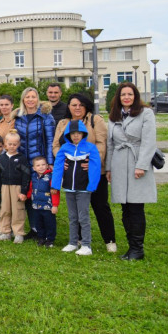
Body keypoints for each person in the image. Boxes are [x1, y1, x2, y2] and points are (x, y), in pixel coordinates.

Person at [52, 93, 116, 253]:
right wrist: (64, 159)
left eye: (80, 104)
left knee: (100, 206)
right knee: (75, 209)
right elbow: (55, 146)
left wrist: (93, 162)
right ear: (69, 107)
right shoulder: (63, 123)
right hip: (72, 172)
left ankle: (109, 240)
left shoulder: (95, 120)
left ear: (86, 106)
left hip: (94, 171)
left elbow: (102, 143)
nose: (77, 107)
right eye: (74, 105)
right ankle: (78, 240)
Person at [106, 82, 156, 261]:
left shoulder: (146, 113)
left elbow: (149, 141)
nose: (126, 97)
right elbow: (110, 144)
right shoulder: (113, 117)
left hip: (136, 162)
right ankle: (130, 247)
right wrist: (109, 168)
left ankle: (137, 248)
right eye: (123, 95)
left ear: (135, 96)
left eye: (130, 94)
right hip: (119, 164)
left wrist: (141, 165)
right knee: (125, 207)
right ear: (118, 98)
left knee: (136, 207)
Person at [53, 119, 101, 255]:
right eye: (73, 133)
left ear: (83, 134)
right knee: (72, 216)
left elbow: (96, 167)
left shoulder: (90, 148)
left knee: (83, 217)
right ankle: (73, 242)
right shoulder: (64, 148)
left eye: (78, 133)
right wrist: (55, 185)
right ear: (68, 134)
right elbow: (58, 166)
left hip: (84, 188)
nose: (75, 136)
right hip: (69, 188)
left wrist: (92, 185)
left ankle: (86, 245)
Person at [13, 87, 56, 239]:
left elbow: (51, 140)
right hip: (23, 162)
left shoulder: (45, 117)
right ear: (23, 100)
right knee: (28, 194)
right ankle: (34, 227)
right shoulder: (18, 117)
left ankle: (46, 229)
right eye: (27, 97)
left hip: (40, 162)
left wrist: (50, 162)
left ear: (37, 99)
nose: (30, 100)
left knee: (43, 195)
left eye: (33, 97)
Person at [0, 132, 31, 243]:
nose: (12, 146)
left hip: (17, 187)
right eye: (10, 144)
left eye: (15, 144)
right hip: (4, 187)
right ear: (5, 144)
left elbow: (26, 175)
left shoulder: (22, 158)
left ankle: (18, 233)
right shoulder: (2, 158)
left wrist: (24, 191)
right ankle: (5, 232)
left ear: (18, 144)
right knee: (4, 209)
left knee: (18, 210)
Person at [28, 156, 60, 249]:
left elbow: (55, 193)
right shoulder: (34, 176)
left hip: (48, 206)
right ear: (34, 168)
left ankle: (50, 240)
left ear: (47, 166)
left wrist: (55, 205)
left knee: (49, 223)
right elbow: (31, 188)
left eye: (43, 165)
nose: (41, 167)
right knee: (39, 223)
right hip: (36, 206)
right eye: (38, 165)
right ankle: (41, 238)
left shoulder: (51, 177)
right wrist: (27, 196)